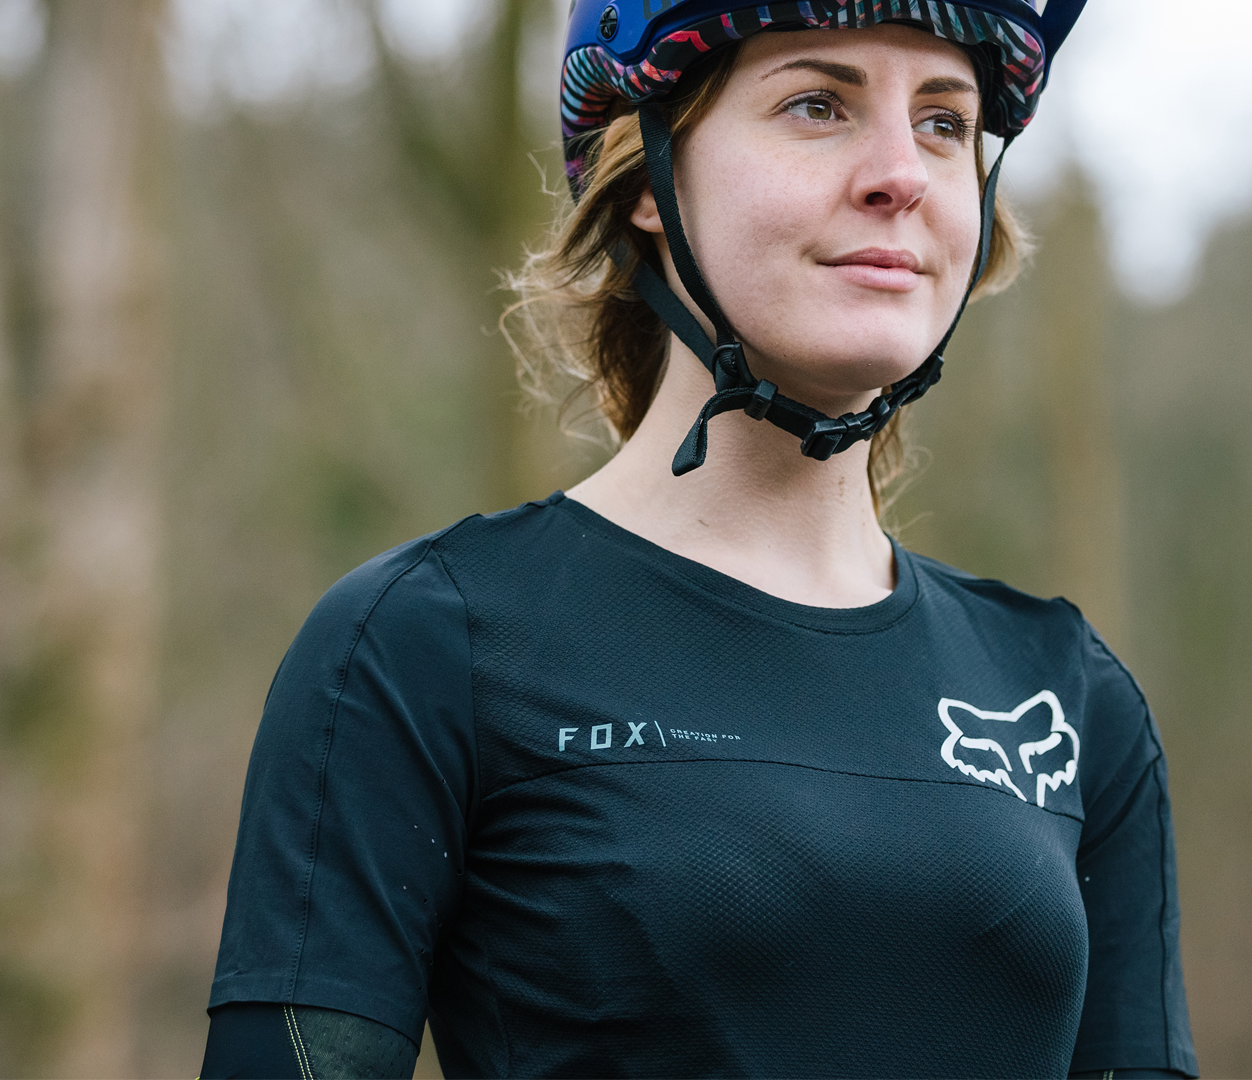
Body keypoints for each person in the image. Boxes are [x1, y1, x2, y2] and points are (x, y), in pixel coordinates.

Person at [200, 1, 1197, 1076]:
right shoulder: (424, 646)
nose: (901, 174)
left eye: (945, 123)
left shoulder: (1070, 698)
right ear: (646, 180)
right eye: (818, 104)